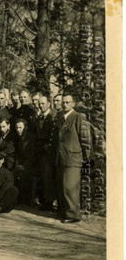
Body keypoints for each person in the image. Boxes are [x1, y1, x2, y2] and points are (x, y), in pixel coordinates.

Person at [55, 95, 89, 223]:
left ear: (73, 104)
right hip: (61, 157)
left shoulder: (78, 117)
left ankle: (73, 215)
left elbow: (85, 138)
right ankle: (64, 212)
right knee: (61, 186)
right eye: (63, 102)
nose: (65, 105)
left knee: (70, 186)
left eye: (67, 102)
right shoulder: (60, 117)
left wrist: (86, 156)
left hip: (73, 157)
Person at [35, 96, 58, 211]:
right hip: (40, 151)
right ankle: (45, 201)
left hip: (49, 151)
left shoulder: (53, 116)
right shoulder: (39, 117)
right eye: (39, 104)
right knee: (43, 177)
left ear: (49, 104)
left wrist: (49, 146)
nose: (41, 105)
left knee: (49, 177)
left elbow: (55, 135)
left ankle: (49, 202)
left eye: (43, 103)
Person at [14, 119, 38, 205]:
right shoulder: (18, 138)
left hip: (31, 165)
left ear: (26, 128)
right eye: (17, 128)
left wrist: (24, 166)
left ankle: (26, 200)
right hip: (21, 164)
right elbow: (17, 153)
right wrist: (18, 164)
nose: (18, 130)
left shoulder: (32, 138)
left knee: (23, 175)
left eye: (20, 127)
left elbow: (33, 155)